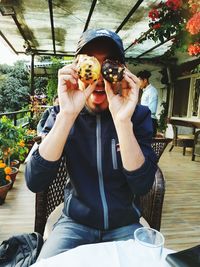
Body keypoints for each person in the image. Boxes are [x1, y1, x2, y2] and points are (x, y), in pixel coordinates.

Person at [25, 28, 157, 260]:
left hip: (125, 224)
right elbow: (35, 180)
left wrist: (122, 121)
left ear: (122, 72)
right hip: (75, 224)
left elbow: (143, 185)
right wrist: (67, 114)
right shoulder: (60, 114)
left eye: (109, 64)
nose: (98, 78)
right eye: (90, 63)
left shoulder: (138, 116)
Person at [137, 70, 158, 137]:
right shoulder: (145, 91)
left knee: (148, 144)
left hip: (150, 120)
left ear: (145, 80)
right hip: (145, 119)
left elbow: (152, 110)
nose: (138, 83)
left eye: (139, 81)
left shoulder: (152, 91)